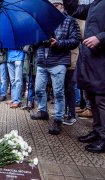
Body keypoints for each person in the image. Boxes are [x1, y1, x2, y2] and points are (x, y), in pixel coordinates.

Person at [63, 0, 105, 153]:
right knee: (92, 95)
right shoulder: (98, 2)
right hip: (90, 57)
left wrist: (101, 38)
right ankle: (97, 131)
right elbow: (76, 10)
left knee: (103, 98)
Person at [30, 0, 81, 135]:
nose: (53, 8)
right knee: (39, 89)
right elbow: (33, 41)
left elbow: (76, 40)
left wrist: (57, 43)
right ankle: (43, 111)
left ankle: (58, 118)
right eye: (50, 5)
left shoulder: (69, 20)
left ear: (62, 6)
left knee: (59, 92)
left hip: (58, 61)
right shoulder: (42, 21)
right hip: (42, 61)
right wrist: (38, 41)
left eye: (56, 5)